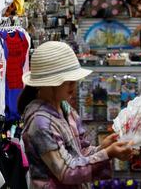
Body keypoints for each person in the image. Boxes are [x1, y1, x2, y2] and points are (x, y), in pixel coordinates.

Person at [19, 41, 133, 188]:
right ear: (50, 83)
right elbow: (67, 171)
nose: (74, 84)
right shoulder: (40, 123)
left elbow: (79, 153)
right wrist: (108, 154)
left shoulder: (65, 108)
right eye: (68, 81)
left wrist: (102, 148)